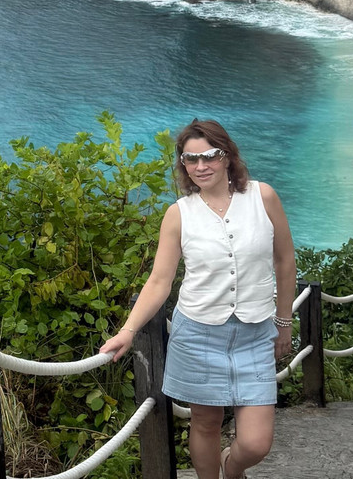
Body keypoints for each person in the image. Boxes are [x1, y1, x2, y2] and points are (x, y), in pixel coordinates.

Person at [100, 119, 296, 479]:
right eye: (191, 159)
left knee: (256, 443)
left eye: (209, 156)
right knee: (205, 423)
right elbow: (160, 280)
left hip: (255, 333)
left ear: (227, 156)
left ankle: (231, 467)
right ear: (183, 165)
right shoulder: (179, 214)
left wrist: (284, 322)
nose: (201, 166)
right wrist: (128, 330)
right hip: (198, 334)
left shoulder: (262, 196)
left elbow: (285, 261)